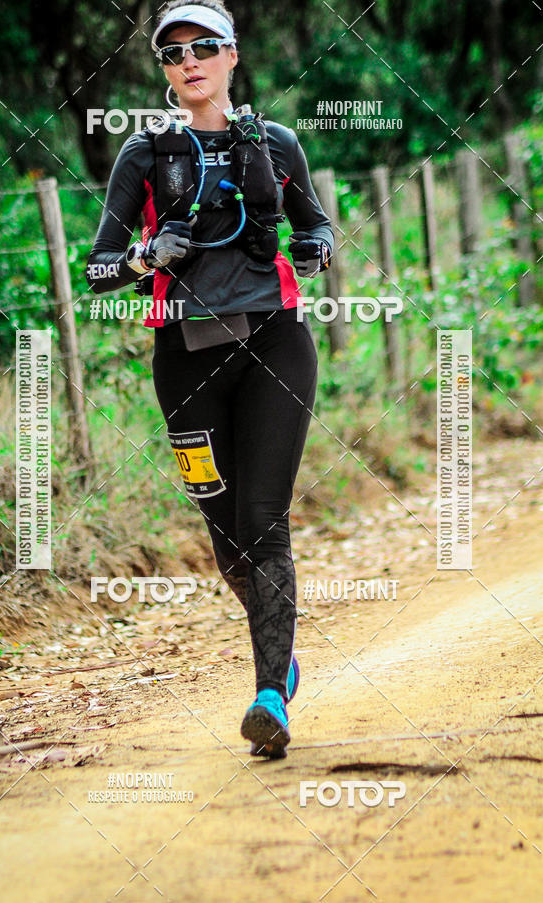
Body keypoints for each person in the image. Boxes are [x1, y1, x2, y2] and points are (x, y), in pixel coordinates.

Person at [86, 0, 334, 758]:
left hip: (274, 343)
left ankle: (269, 695)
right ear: (164, 70)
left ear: (232, 56)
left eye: (204, 46)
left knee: (264, 519)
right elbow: (98, 269)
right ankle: (278, 648)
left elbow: (316, 225)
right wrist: (143, 258)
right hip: (185, 359)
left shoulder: (275, 141)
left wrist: (316, 248)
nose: (188, 60)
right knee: (226, 537)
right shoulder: (144, 153)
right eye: (173, 52)